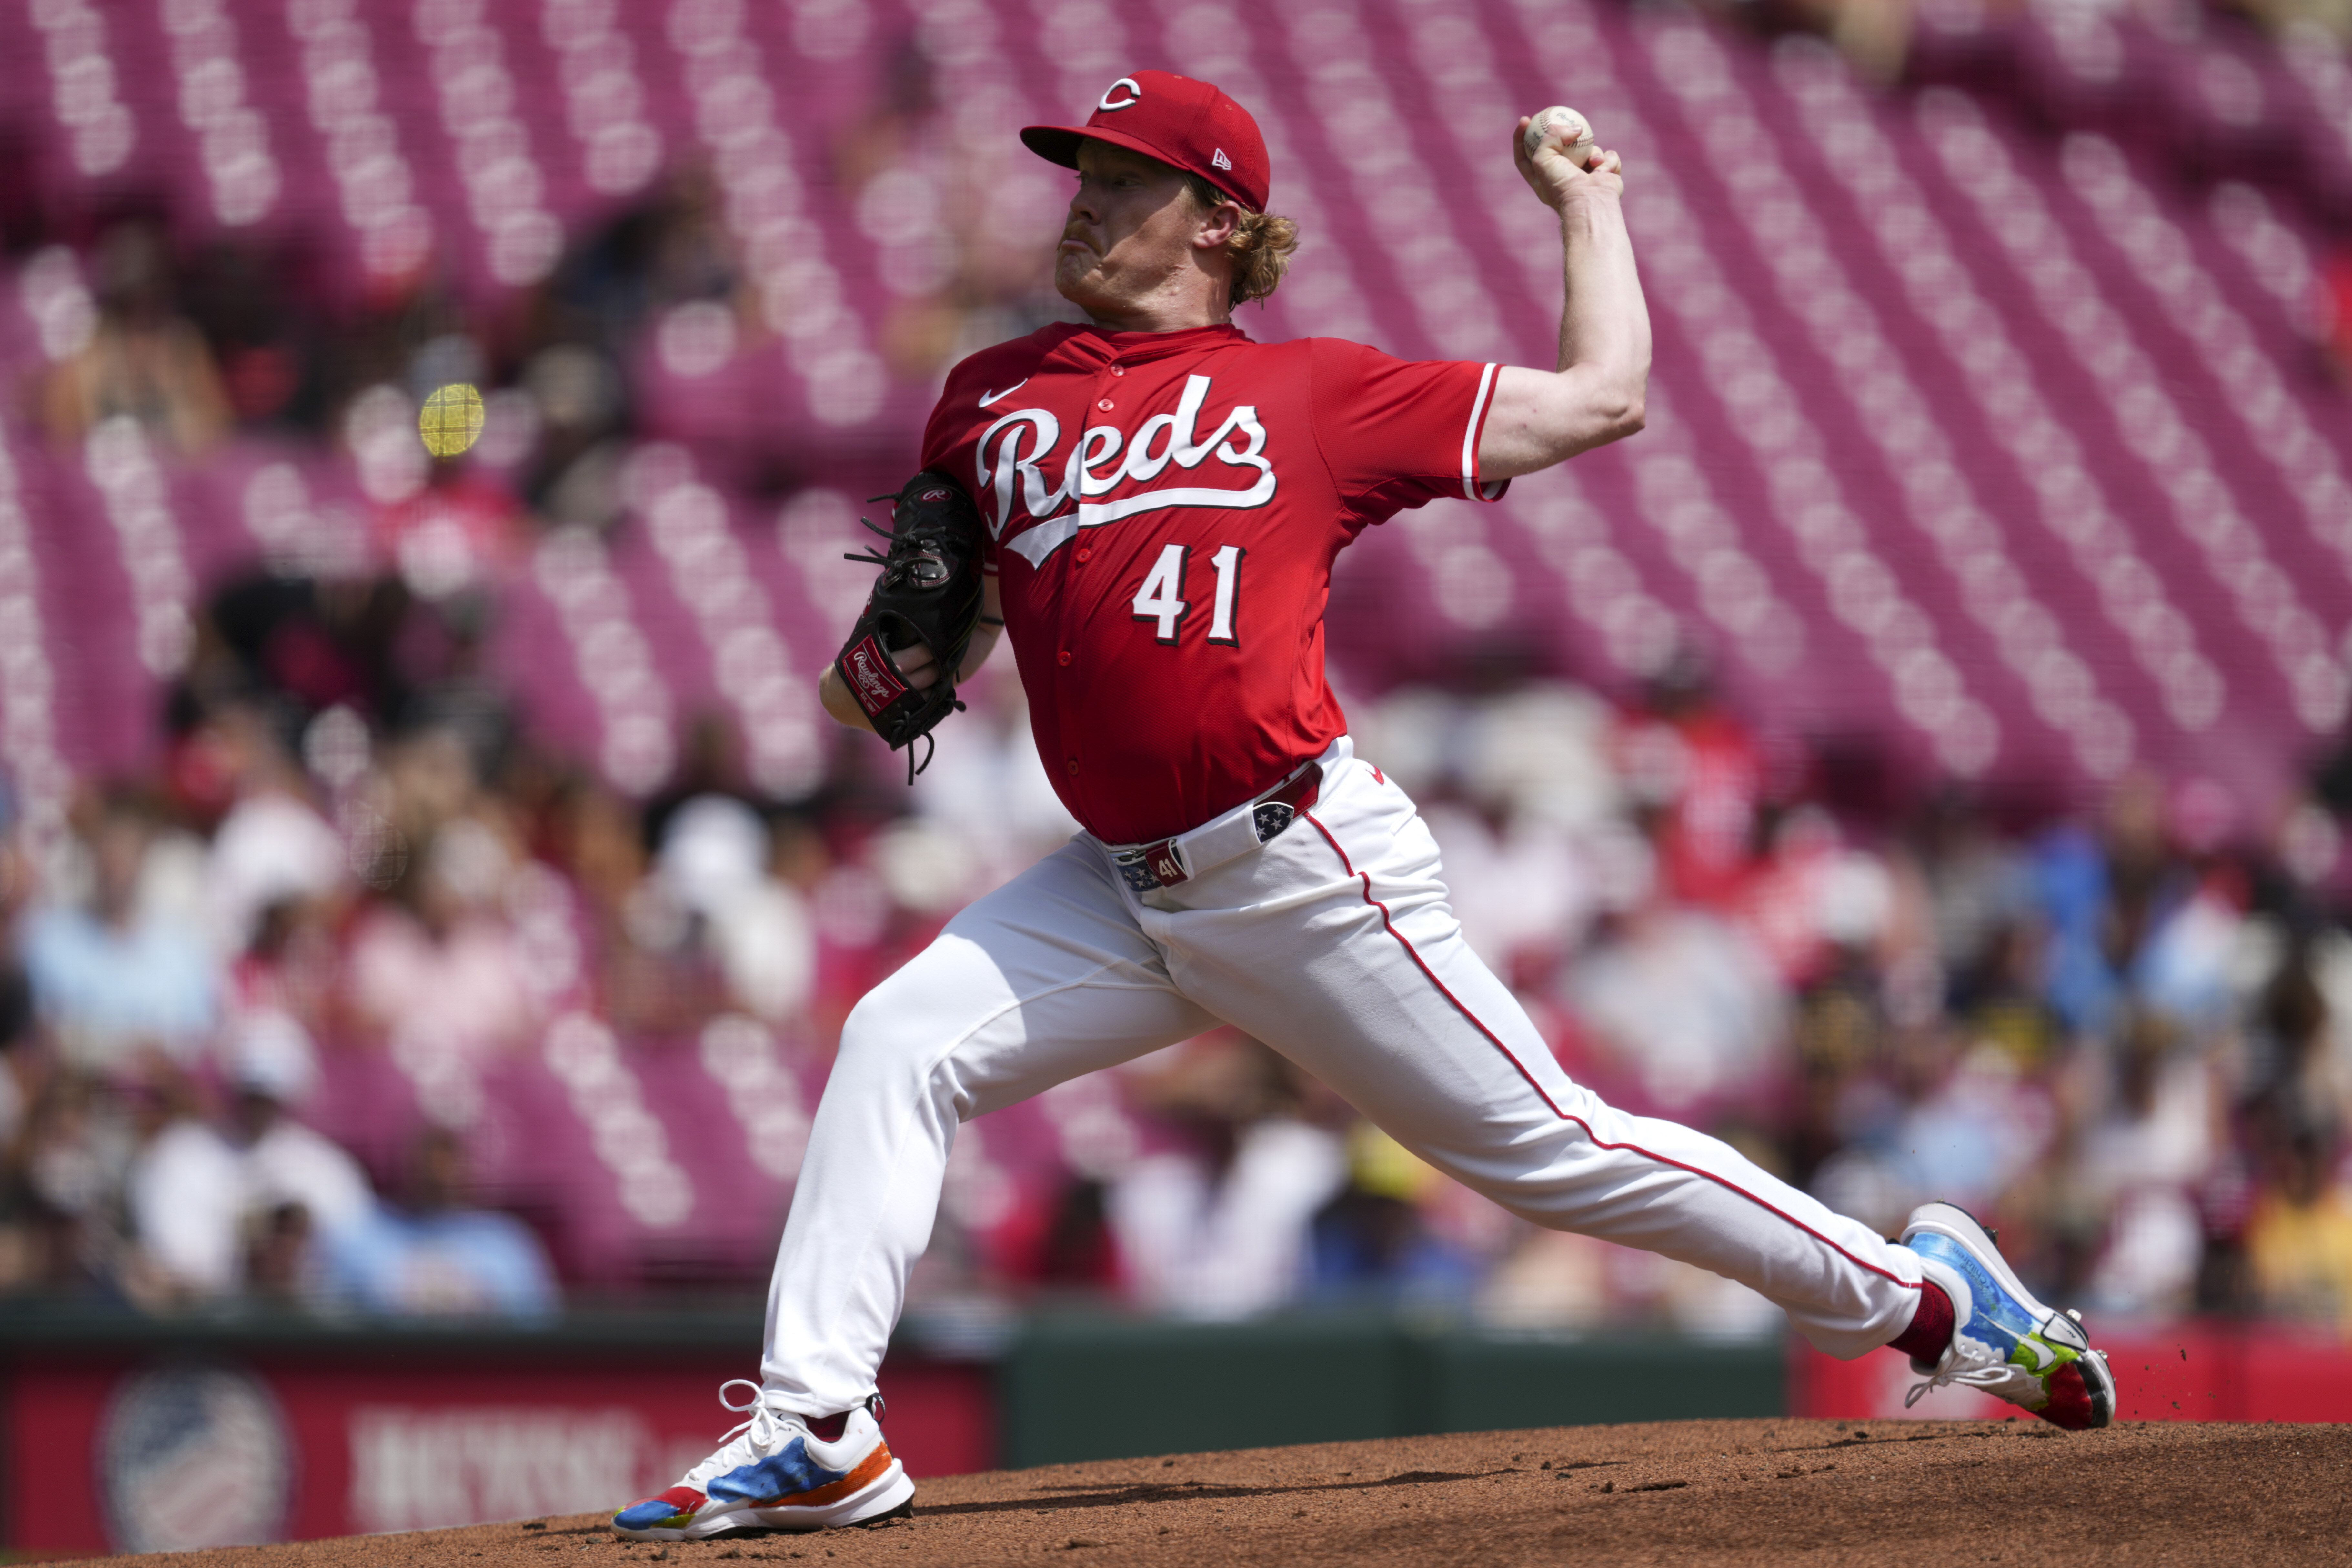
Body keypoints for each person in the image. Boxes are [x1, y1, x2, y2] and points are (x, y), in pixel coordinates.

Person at [615, 70, 2114, 1542]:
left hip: (1301, 862)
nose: (1086, 204)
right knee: (895, 1041)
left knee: (1557, 1154)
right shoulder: (990, 399)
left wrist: (1586, 208)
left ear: (1216, 221)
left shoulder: (1313, 394)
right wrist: (878, 670)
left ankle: (1930, 1300)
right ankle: (817, 1424)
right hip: (1118, 889)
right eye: (1082, 176)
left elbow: (1605, 397)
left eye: (1123, 180)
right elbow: (901, 670)